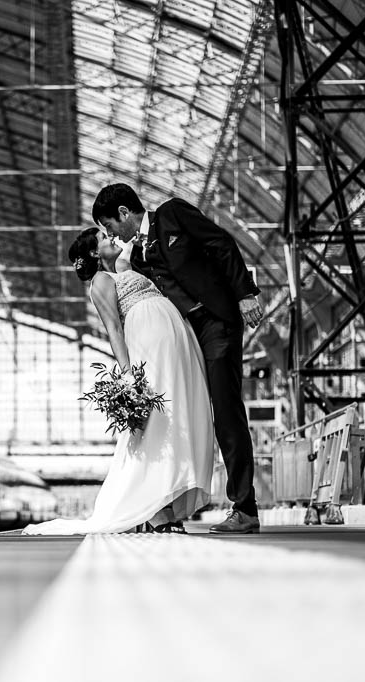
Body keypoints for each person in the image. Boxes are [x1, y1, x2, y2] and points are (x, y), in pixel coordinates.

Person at [92, 183, 263, 534]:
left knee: (226, 408)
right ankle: (167, 500)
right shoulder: (136, 258)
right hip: (189, 336)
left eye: (110, 227)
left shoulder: (172, 215)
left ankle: (245, 507)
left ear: (125, 213)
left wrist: (245, 293)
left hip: (217, 321)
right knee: (194, 410)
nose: (111, 234)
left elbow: (221, 243)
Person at [22, 229, 214, 535]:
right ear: (95, 253)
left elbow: (128, 250)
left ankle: (163, 501)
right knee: (159, 423)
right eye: (103, 237)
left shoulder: (125, 268)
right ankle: (156, 510)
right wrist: (127, 374)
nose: (112, 238)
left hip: (176, 345)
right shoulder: (100, 282)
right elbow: (113, 327)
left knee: (179, 417)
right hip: (149, 350)